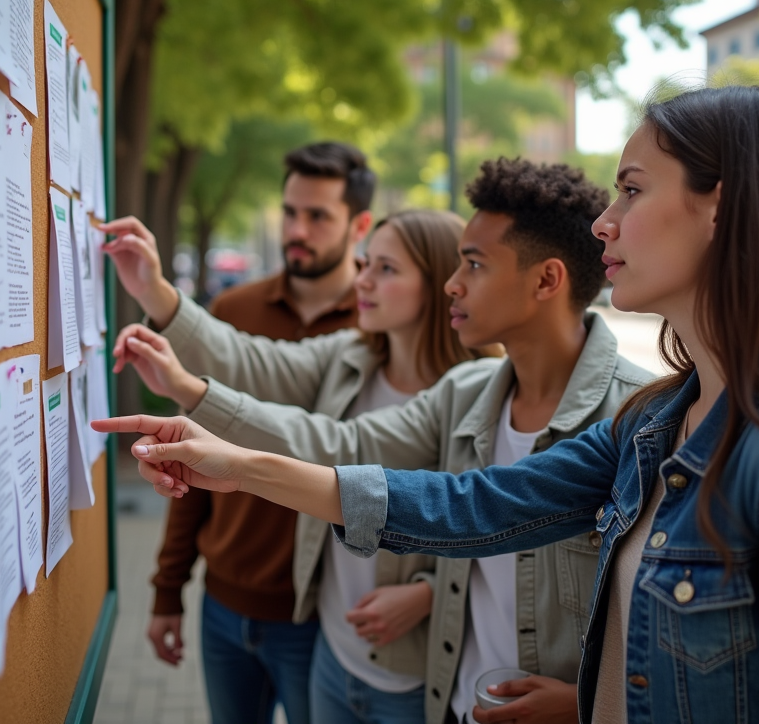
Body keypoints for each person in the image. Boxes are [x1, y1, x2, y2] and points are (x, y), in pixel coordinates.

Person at [97, 86, 759, 724]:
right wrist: (232, 462)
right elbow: (468, 507)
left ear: (719, 208)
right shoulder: (659, 421)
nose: (604, 224)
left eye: (631, 189)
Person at [107, 157, 653, 724]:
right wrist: (222, 444)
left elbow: (669, 626)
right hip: (450, 700)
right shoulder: (465, 391)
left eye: (473, 264)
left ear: (546, 280)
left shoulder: (639, 416)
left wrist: (593, 701)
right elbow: (344, 446)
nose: (453, 283)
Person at [111, 210, 500, 723]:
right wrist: (156, 293)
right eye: (365, 263)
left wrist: (428, 592)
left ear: (437, 282)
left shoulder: (477, 391)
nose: (361, 279)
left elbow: (497, 530)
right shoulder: (352, 352)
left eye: (386, 269)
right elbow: (252, 359)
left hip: (417, 667)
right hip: (333, 648)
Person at [97, 141, 376, 724]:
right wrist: (168, 588)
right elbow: (191, 459)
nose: (296, 229)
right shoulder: (233, 308)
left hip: (318, 614)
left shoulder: (377, 325)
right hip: (223, 603)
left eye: (318, 215)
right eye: (290, 212)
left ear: (360, 225)